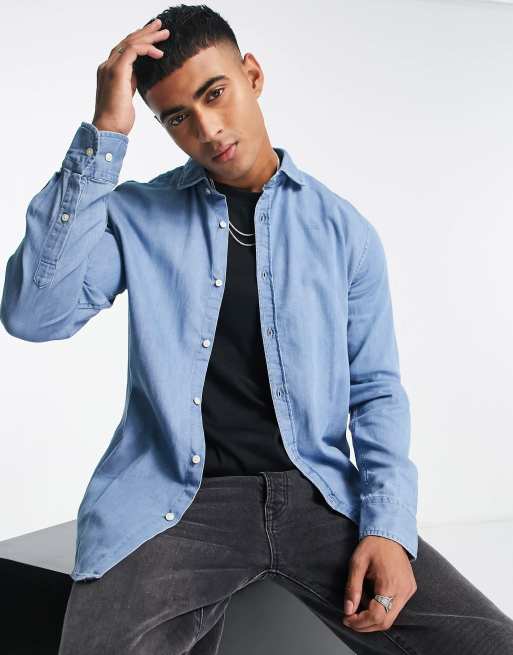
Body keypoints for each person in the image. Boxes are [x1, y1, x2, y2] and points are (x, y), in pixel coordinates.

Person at [1, 4, 512, 654]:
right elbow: (33, 313)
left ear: (252, 74)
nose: (207, 129)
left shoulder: (343, 231)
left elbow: (377, 391)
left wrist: (387, 525)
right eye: (177, 118)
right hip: (178, 504)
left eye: (215, 94)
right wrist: (105, 133)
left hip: (316, 498)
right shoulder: (140, 215)